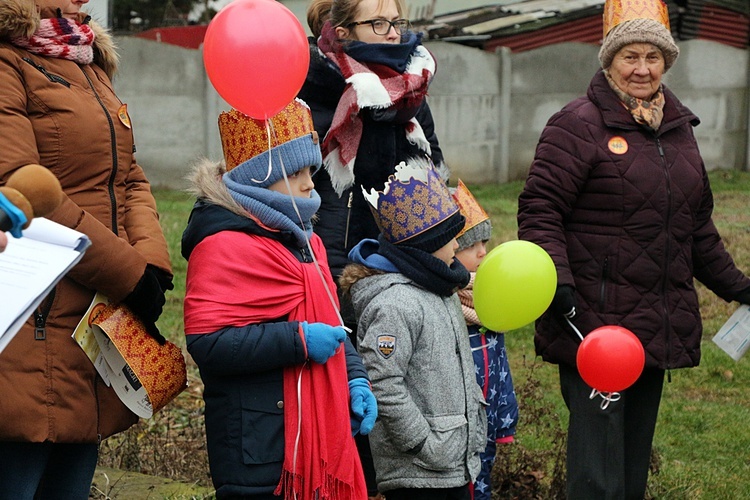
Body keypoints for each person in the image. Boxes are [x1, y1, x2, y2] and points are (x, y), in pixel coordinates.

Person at [516, 0, 750, 498]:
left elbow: (697, 228)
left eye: (653, 56)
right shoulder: (576, 124)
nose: (642, 68)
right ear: (608, 61)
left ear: (667, 62)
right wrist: (562, 294)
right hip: (593, 323)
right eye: (630, 56)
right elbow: (540, 211)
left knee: (630, 471)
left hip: (654, 323)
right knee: (597, 475)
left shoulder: (678, 129)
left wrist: (740, 289)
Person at [0, 0, 173, 498]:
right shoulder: (6, 61)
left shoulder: (86, 57)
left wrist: (151, 267)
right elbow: (25, 191)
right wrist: (127, 274)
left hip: (92, 318)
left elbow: (129, 176)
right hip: (31, 318)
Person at [182, 99, 377, 500]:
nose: (309, 183)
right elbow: (209, 342)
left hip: (318, 434)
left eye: (310, 170)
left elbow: (334, 324)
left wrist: (354, 377)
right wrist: (298, 341)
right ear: (258, 178)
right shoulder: (222, 246)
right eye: (294, 172)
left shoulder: (307, 242)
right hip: (259, 452)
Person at [339, 158, 486, 500]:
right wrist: (420, 441)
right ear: (427, 245)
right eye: (451, 238)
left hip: (451, 459)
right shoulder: (395, 304)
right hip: (417, 470)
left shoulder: (441, 288)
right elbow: (383, 383)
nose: (456, 247)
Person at [451, 181, 518, 500]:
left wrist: (506, 420)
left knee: (483, 485)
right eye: (471, 245)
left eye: (485, 243)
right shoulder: (446, 306)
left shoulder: (489, 304)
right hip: (455, 433)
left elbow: (502, 367)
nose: (482, 252)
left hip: (489, 425)